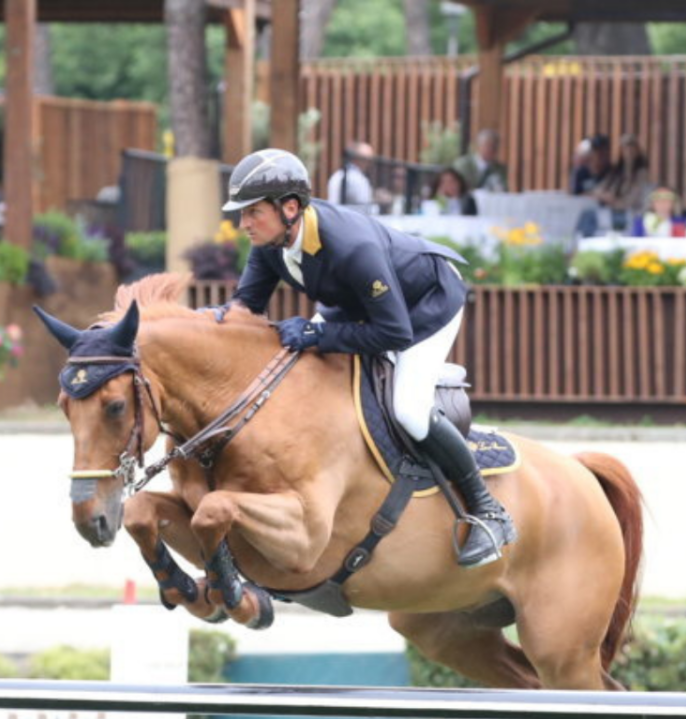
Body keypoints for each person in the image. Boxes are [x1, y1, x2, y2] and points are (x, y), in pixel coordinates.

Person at [220, 149, 513, 569]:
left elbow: (394, 333)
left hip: (425, 307)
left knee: (408, 410)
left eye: (252, 212)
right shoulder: (270, 242)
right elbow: (246, 308)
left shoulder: (351, 246)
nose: (243, 223)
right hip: (356, 305)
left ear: (289, 208)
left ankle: (489, 511)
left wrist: (319, 333)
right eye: (242, 213)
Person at [454, 129, 509, 194]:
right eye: (488, 145)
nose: (491, 149)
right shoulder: (463, 164)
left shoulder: (500, 169)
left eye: (495, 146)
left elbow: (503, 190)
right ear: (479, 146)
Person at [327, 141, 377, 210]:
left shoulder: (338, 175)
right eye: (366, 160)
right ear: (356, 159)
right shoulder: (359, 179)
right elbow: (365, 205)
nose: (369, 164)